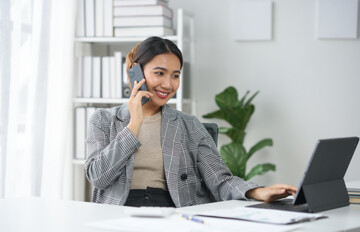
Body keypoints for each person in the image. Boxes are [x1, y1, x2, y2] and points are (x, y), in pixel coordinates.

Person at [85, 36, 297, 207]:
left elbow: (220, 180)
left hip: (175, 214)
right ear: (136, 72)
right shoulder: (103, 120)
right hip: (119, 215)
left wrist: (257, 192)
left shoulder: (188, 125)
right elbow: (97, 177)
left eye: (175, 75)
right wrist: (133, 126)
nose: (168, 84)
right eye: (159, 73)